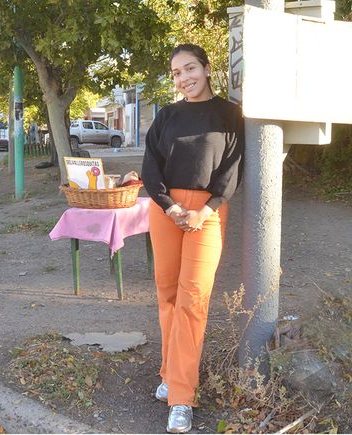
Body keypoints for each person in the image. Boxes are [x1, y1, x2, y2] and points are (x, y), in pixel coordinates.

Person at [141, 43, 245, 434]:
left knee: (193, 300)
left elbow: (232, 169)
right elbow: (151, 167)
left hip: (207, 213)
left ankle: (181, 397)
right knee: (168, 296)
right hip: (165, 211)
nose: (184, 78)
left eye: (190, 69)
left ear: (206, 68)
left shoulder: (230, 115)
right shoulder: (166, 115)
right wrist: (170, 207)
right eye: (176, 73)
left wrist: (205, 209)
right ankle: (170, 372)